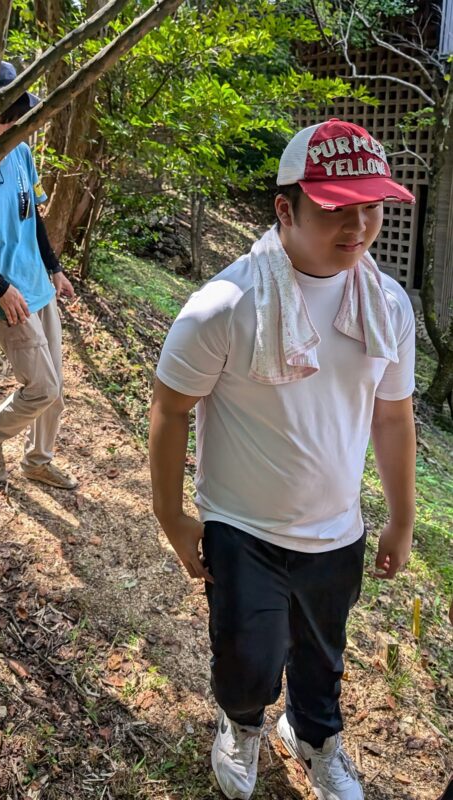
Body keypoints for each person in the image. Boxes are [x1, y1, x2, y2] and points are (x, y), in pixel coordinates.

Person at [149, 118, 416, 800]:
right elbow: (171, 407)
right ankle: (239, 727)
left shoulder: (385, 304)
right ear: (284, 209)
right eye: (334, 208)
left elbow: (390, 415)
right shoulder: (225, 306)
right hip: (244, 528)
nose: (357, 226)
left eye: (370, 205)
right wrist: (170, 515)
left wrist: (400, 519)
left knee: (323, 655)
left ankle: (313, 735)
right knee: (247, 655)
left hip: (336, 528)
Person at [0, 62, 77, 491]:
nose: (19, 122)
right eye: (13, 113)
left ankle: (37, 461)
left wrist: (54, 268)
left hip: (39, 287)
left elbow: (33, 219)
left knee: (56, 391)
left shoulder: (22, 153)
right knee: (42, 387)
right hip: (4, 298)